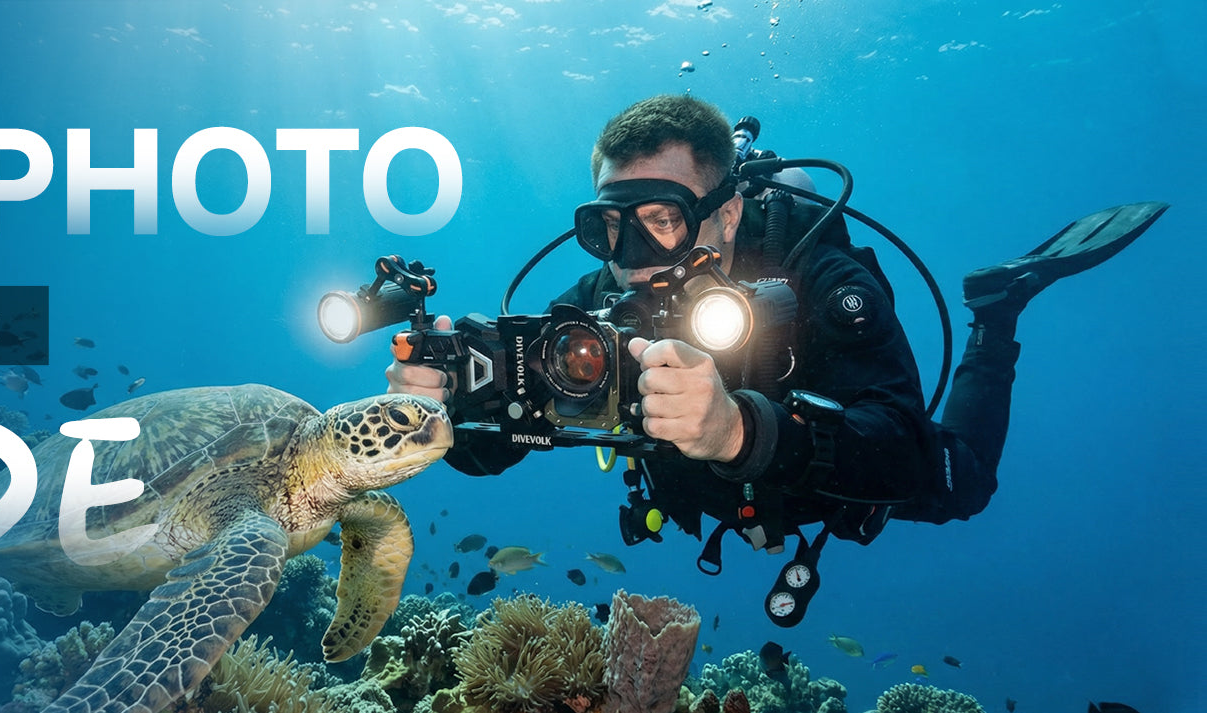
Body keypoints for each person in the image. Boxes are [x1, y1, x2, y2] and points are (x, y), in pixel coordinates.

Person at [386, 94, 1166, 554]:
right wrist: (447, 408)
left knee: (963, 485)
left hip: (833, 482)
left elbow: (899, 449)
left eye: (661, 221)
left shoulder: (822, 274)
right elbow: (504, 441)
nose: (631, 259)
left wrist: (738, 433)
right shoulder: (600, 290)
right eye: (606, 228)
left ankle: (996, 317)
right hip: (717, 502)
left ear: (725, 211)